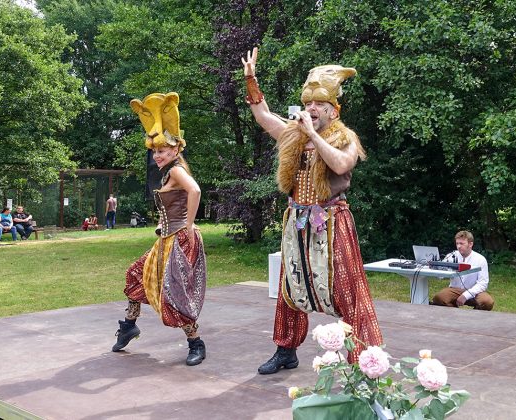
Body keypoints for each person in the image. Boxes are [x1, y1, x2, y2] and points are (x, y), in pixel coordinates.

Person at [241, 48, 383, 374]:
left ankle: (363, 360)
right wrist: (251, 78)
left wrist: (313, 136)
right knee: (289, 287)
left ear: (334, 111)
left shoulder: (344, 138)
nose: (311, 109)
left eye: (319, 104)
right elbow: (263, 116)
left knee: (347, 290)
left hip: (332, 222)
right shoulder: (294, 135)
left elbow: (340, 163)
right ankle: (285, 350)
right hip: (297, 221)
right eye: (308, 104)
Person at [112, 91, 207, 366]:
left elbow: (195, 190)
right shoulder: (170, 171)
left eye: (162, 151)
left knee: (175, 294)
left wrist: (188, 225)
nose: (157, 156)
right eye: (155, 151)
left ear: (176, 150)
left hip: (179, 239)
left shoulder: (177, 170)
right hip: (166, 239)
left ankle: (196, 342)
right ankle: (129, 325)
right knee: (135, 275)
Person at [432, 231, 494, 310]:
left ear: (470, 244)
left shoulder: (480, 259)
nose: (458, 246)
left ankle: (474, 317)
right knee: (439, 298)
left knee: (487, 302)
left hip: (475, 291)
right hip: (454, 289)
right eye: (457, 243)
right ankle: (455, 314)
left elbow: (483, 283)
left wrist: (466, 295)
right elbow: (440, 276)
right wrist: (435, 266)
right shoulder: (451, 256)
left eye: (461, 243)